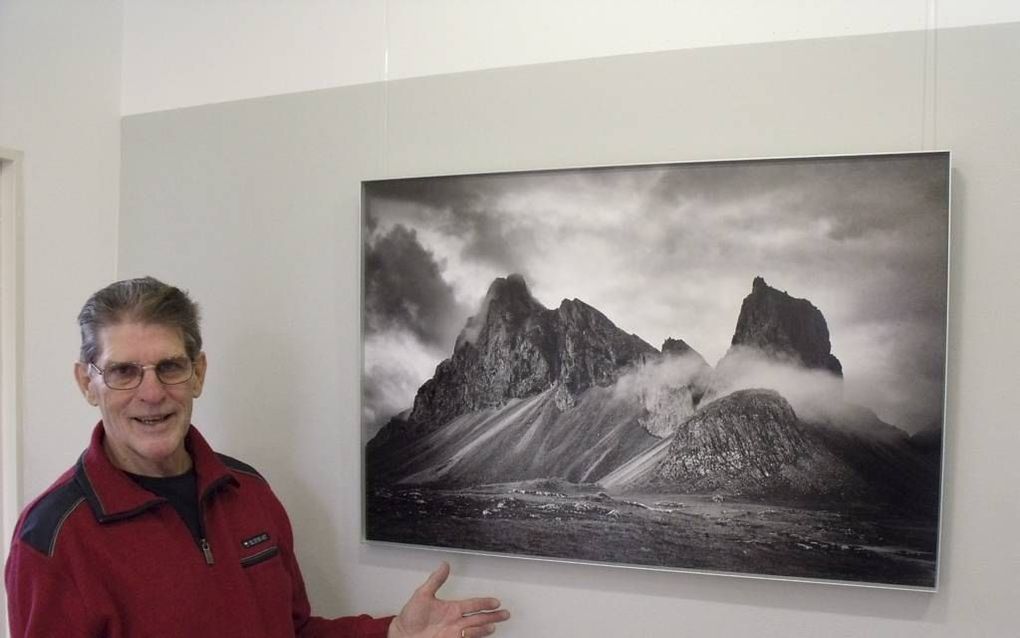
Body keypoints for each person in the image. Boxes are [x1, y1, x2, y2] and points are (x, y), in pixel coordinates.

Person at [4, 277, 510, 638]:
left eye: (170, 367)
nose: (151, 393)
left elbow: (294, 631)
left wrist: (393, 634)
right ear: (86, 383)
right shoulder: (52, 540)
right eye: (123, 372)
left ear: (198, 373)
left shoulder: (248, 491)